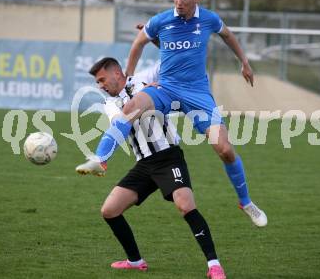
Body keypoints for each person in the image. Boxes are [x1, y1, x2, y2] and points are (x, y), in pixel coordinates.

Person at [77, 0, 267, 228]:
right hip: (166, 88)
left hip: (198, 93)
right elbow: (138, 44)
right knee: (131, 108)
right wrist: (130, 80)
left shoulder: (209, 19)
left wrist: (244, 62)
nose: (178, 2)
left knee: (224, 149)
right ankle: (100, 159)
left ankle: (245, 202)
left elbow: (228, 35)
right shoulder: (161, 20)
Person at [79, 57, 226, 279]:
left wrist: (156, 41)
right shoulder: (110, 105)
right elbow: (122, 121)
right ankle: (135, 261)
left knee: (185, 205)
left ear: (117, 74)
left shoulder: (145, 78)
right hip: (144, 164)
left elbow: (172, 59)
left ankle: (214, 265)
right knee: (109, 210)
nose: (100, 86)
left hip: (168, 157)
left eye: (102, 80)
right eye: (97, 83)